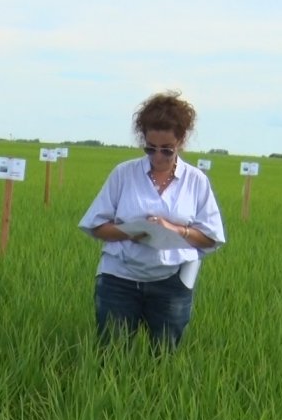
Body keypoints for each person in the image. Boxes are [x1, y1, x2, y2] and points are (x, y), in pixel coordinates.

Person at [78, 91, 225, 350]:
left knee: (164, 357)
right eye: (150, 148)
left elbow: (211, 237)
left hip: (172, 281)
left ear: (181, 140)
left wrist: (176, 230)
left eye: (166, 150)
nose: (157, 156)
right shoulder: (124, 174)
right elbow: (96, 225)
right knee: (111, 354)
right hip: (119, 278)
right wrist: (129, 232)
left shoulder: (196, 180)